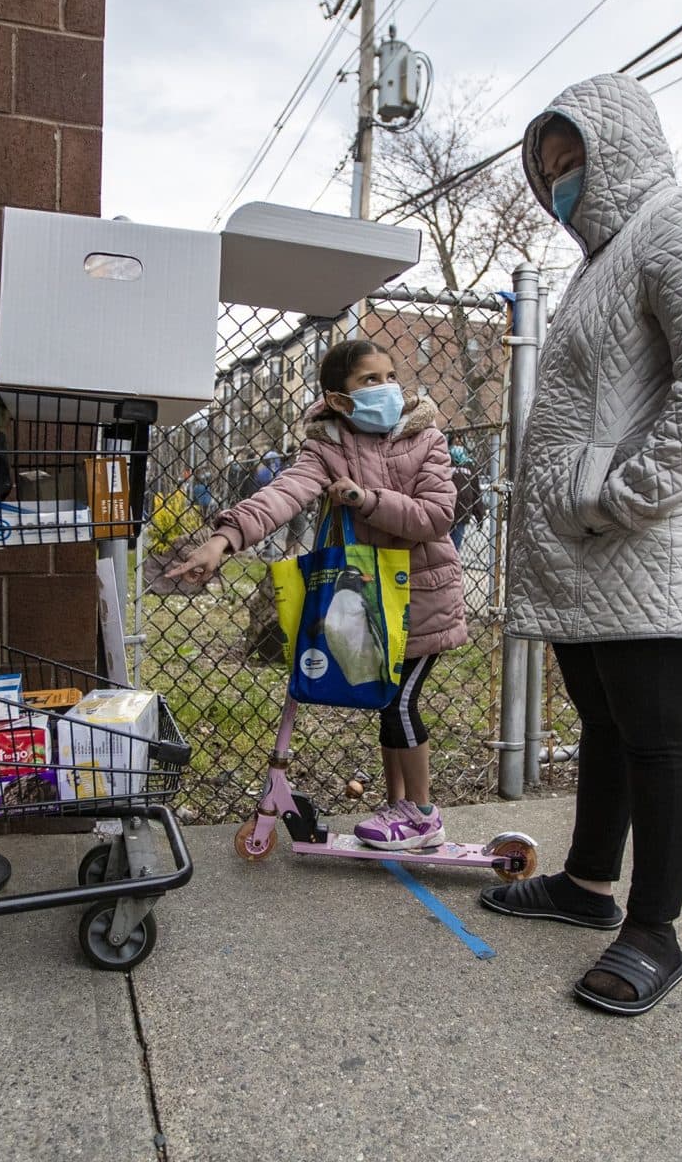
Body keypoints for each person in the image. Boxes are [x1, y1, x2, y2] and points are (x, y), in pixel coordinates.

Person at [477, 75, 682, 1018]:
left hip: (647, 537)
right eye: (548, 171)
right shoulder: (598, 265)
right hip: (587, 545)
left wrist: (626, 495)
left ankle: (655, 930)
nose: (561, 184)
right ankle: (587, 885)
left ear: (621, 151)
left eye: (574, 163)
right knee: (603, 721)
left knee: (656, 731)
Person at [166, 340, 468, 849]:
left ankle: (422, 816)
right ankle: (397, 806)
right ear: (338, 399)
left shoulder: (426, 437)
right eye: (369, 380)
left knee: (399, 704)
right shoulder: (326, 445)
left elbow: (436, 516)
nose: (387, 387)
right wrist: (222, 540)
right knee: (386, 702)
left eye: (390, 375)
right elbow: (282, 495)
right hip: (373, 601)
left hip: (424, 599)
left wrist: (365, 499)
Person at [449, 445, 484, 552]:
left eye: (460, 440)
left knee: (454, 549)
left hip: (461, 513)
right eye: (455, 440)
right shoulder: (445, 461)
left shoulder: (469, 465)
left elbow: (475, 491)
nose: (457, 444)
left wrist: (479, 516)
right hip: (445, 511)